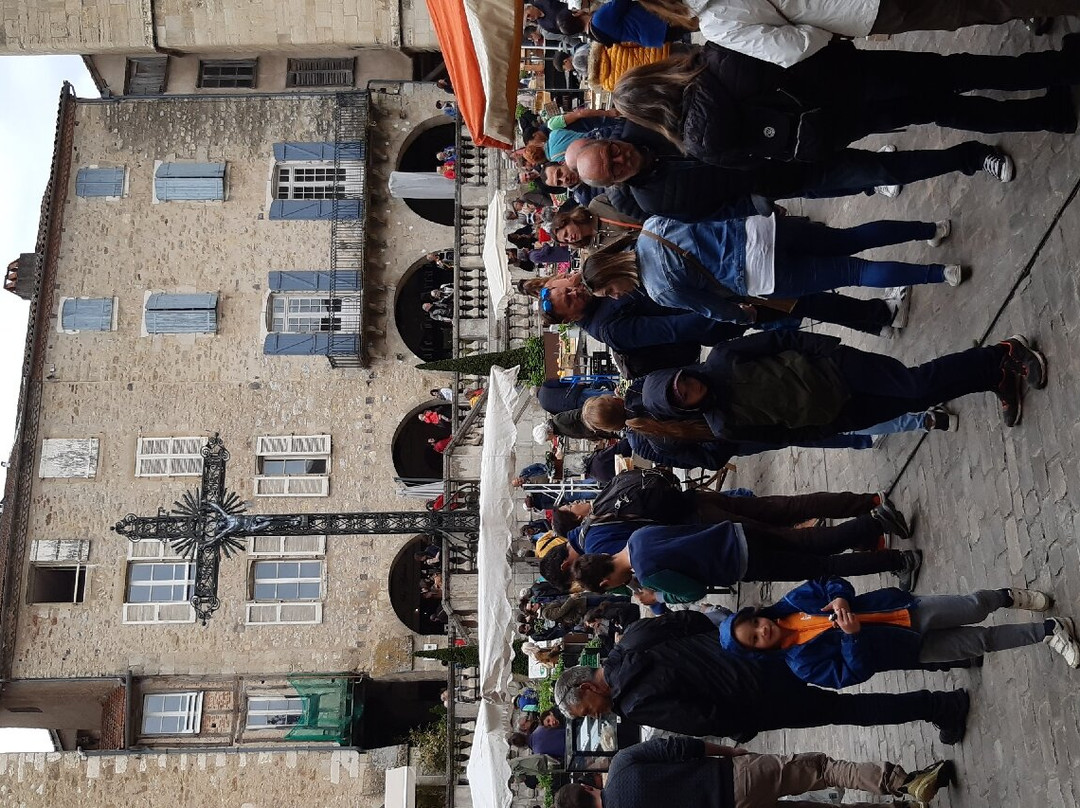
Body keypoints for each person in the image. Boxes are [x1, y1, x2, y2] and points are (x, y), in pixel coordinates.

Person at [610, 43, 1078, 169]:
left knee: (940, 109)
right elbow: (794, 50)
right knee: (957, 71)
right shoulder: (716, 63)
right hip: (852, 77)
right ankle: (1057, 68)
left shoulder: (696, 145)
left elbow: (756, 162)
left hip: (842, 124)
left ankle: (1047, 115)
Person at [553, 610, 973, 743]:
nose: (596, 715)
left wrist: (744, 729)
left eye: (587, 710)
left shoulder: (636, 703)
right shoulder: (634, 638)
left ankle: (941, 704)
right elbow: (694, 619)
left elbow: (706, 720)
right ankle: (949, 657)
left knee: (847, 707)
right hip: (760, 647)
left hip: (760, 699)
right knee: (860, 655)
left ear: (587, 687)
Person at [622, 331, 1048, 443]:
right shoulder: (723, 425)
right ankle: (992, 379)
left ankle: (1001, 353)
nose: (688, 388)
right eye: (681, 396)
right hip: (838, 413)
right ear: (682, 409)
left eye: (682, 381)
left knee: (917, 380)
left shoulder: (722, 358)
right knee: (921, 397)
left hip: (837, 369)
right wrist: (831, 429)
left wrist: (829, 350)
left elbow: (781, 339)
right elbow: (784, 436)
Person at [579, 218, 960, 327]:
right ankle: (930, 230)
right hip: (761, 231)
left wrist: (740, 315)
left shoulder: (657, 289)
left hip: (759, 275)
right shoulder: (652, 226)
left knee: (854, 272)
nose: (615, 296)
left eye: (609, 291)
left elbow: (710, 306)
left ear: (611, 274)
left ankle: (939, 273)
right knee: (850, 238)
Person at [564, 134, 1016, 224]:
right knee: (880, 171)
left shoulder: (646, 122)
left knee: (892, 107)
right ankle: (971, 157)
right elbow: (714, 213)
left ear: (608, 140)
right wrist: (757, 203)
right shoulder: (652, 201)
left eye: (612, 152)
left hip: (786, 129)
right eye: (614, 169)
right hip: (787, 178)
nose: (620, 159)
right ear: (617, 182)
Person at [720, 577, 1080, 688]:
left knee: (973, 606)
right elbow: (851, 674)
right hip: (908, 650)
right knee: (980, 642)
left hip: (905, 610)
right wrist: (851, 636)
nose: (761, 630)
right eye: (754, 638)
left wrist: (841, 596)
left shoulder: (793, 602)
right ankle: (1049, 631)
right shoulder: (802, 665)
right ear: (757, 651)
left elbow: (829, 582)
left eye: (753, 623)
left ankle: (1005, 596)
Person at [633, 0, 1080, 67]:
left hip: (862, 10)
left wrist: (824, 29)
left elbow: (793, 48)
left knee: (979, 6)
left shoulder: (717, 22)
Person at [571, 515, 923, 597]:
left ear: (606, 581)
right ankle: (874, 521)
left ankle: (897, 561)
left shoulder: (647, 575)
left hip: (742, 562)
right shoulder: (638, 536)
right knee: (814, 542)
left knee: (823, 566)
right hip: (737, 531)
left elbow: (693, 591)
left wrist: (660, 595)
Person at [553, 737, 956, 808]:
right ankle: (902, 784)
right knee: (822, 770)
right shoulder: (622, 765)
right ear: (588, 786)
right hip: (733, 778)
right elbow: (680, 746)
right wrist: (730, 750)